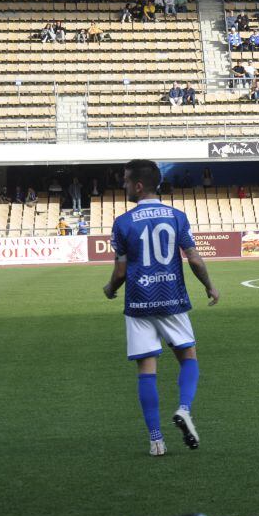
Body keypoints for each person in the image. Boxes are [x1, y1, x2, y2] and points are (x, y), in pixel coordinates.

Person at [102, 159, 220, 456]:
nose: (124, 185)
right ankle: (184, 409)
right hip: (172, 299)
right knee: (188, 357)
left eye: (126, 181)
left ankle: (156, 441)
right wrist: (209, 286)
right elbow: (194, 259)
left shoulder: (123, 222)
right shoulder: (177, 216)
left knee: (146, 370)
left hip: (138, 302)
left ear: (138, 185)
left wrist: (110, 289)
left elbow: (120, 272)